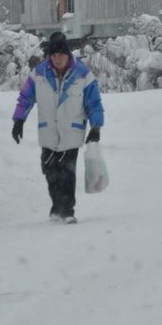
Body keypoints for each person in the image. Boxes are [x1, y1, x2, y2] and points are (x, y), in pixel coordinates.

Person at [11, 32, 104, 224]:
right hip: (48, 132)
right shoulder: (39, 73)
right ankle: (57, 207)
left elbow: (94, 103)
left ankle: (67, 211)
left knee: (67, 173)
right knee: (50, 171)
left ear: (67, 54)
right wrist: (19, 120)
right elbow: (26, 98)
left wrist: (96, 126)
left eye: (60, 54)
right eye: (53, 55)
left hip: (72, 132)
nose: (57, 59)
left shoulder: (83, 74)